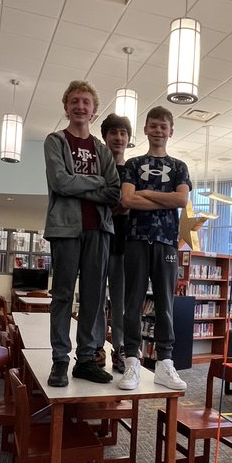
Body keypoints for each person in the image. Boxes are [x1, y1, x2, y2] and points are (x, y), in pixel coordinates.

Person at [43, 80, 120, 387]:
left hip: (99, 230)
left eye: (86, 102)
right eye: (74, 101)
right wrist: (95, 182)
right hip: (65, 230)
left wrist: (78, 182)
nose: (80, 106)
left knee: (94, 298)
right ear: (66, 107)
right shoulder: (55, 141)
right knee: (62, 296)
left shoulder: (101, 149)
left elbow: (113, 191)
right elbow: (60, 182)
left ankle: (86, 360)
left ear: (94, 110)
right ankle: (60, 361)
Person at [119, 106, 190, 393]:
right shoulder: (133, 164)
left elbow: (181, 201)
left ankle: (165, 363)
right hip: (136, 239)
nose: (158, 130)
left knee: (165, 304)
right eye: (153, 126)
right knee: (132, 303)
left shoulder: (179, 166)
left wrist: (145, 193)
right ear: (146, 129)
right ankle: (131, 361)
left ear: (171, 131)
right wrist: (165, 198)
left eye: (163, 126)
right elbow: (127, 200)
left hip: (167, 242)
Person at [100, 112, 131, 374]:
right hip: (98, 243)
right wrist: (120, 206)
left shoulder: (132, 171)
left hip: (123, 245)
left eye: (123, 133)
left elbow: (133, 203)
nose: (118, 138)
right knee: (96, 300)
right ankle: (95, 347)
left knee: (120, 303)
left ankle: (119, 349)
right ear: (105, 137)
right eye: (114, 133)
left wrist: (123, 206)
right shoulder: (97, 168)